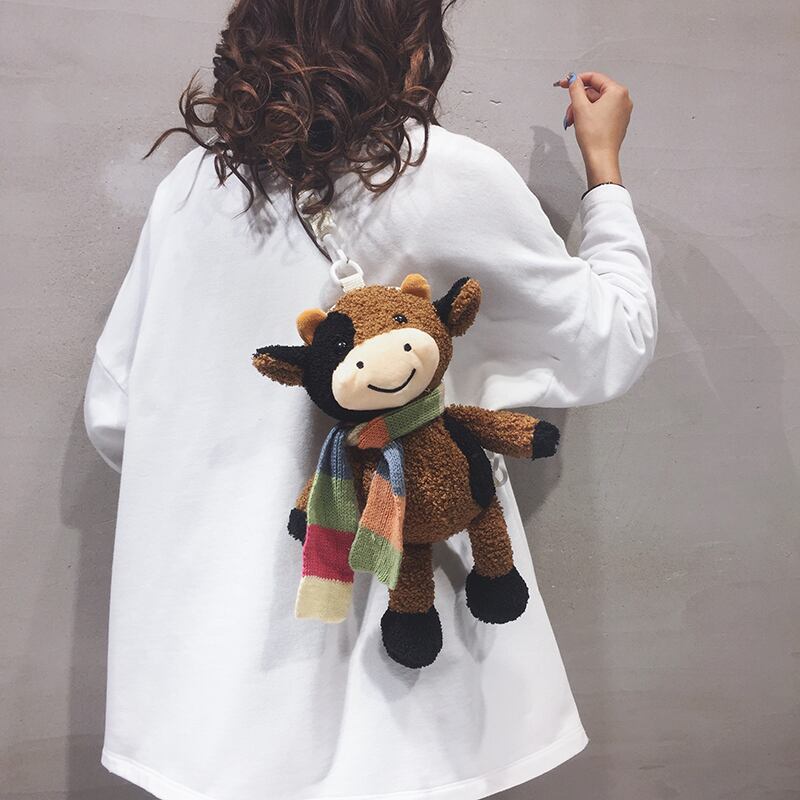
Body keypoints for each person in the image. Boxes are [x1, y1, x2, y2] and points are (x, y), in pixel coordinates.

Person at [82, 2, 657, 799]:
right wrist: (605, 172)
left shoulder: (191, 189)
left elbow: (114, 415)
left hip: (210, 677)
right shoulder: (443, 175)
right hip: (399, 679)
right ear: (404, 35)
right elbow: (611, 341)